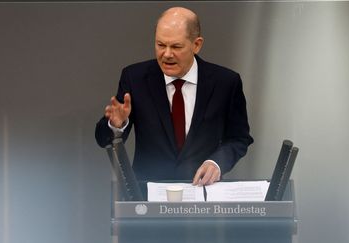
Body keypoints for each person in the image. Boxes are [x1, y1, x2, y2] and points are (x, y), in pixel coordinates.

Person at [95, 7, 253, 186]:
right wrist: (117, 125)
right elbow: (103, 139)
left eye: (176, 46)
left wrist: (216, 163)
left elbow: (239, 138)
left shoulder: (226, 82)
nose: (167, 54)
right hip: (148, 194)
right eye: (160, 45)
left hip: (201, 192)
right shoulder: (135, 78)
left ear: (197, 45)